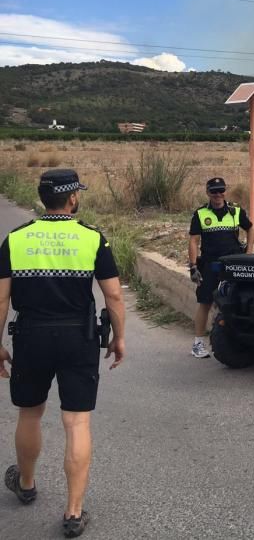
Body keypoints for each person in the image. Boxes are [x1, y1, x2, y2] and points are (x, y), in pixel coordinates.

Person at [0, 168, 126, 538]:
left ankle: (25, 483)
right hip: (79, 337)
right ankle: (73, 513)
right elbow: (114, 295)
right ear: (72, 198)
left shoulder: (16, 238)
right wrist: (119, 337)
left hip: (31, 336)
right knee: (77, 422)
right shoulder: (92, 239)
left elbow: (2, 297)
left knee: (30, 412)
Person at [188, 177, 253, 358]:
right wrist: (193, 266)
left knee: (235, 300)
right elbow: (193, 241)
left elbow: (250, 228)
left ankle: (234, 339)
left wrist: (248, 252)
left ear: (225, 191)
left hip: (233, 266)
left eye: (221, 190)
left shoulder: (236, 211)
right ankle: (198, 344)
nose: (218, 195)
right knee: (205, 302)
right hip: (210, 265)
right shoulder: (200, 214)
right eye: (214, 191)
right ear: (207, 193)